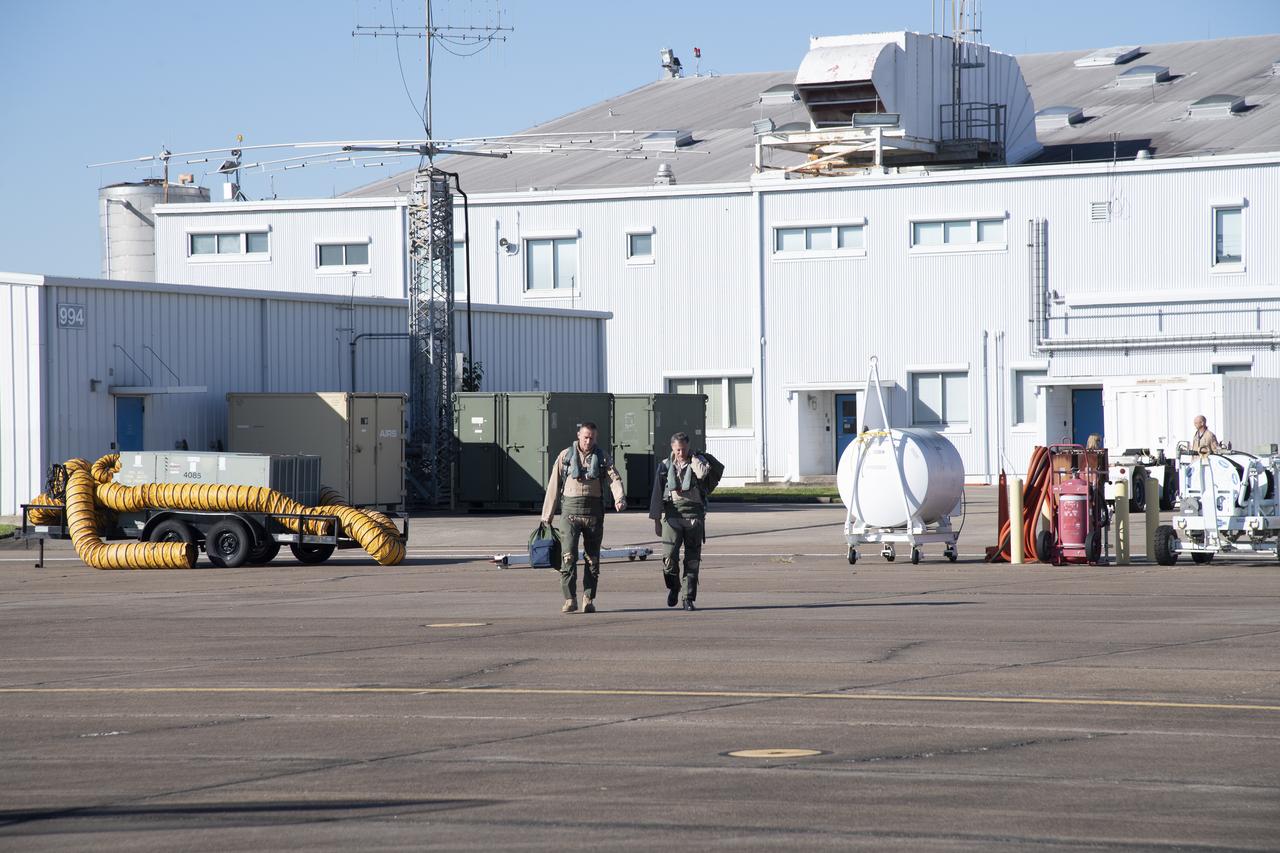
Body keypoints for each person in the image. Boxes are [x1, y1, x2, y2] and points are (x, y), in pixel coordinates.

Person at [541, 422, 625, 614]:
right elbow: (554, 485)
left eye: (592, 438)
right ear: (579, 435)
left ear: (596, 438)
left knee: (592, 558)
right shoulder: (566, 456)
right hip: (570, 513)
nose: (588, 441)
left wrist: (619, 498)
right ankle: (570, 599)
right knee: (568, 556)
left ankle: (588, 598)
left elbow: (614, 478)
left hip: (594, 513)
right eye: (585, 437)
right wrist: (547, 517)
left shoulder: (602, 457)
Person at [649, 432, 711, 611]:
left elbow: (703, 474)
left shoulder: (698, 462)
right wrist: (656, 521)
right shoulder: (664, 466)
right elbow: (657, 495)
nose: (681, 453)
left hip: (693, 516)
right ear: (672, 448)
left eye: (684, 449)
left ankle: (688, 598)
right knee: (669, 558)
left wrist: (694, 459)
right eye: (678, 450)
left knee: (692, 560)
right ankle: (674, 587)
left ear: (688, 447)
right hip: (672, 515)